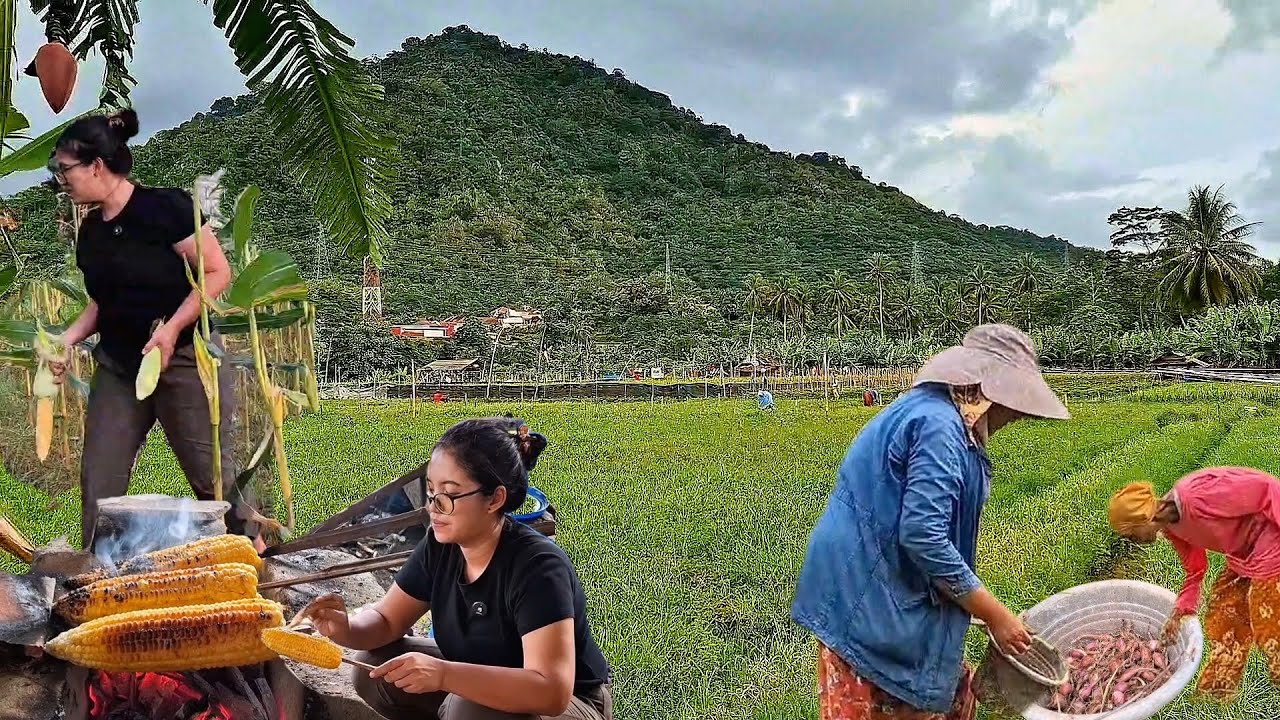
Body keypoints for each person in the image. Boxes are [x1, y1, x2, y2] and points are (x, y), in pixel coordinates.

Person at [791, 324, 1071, 720]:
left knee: (946, 689)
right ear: (993, 392)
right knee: (890, 691)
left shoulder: (944, 416)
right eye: (1016, 401)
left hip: (888, 583)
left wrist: (972, 604)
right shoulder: (939, 426)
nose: (1019, 415)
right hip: (867, 595)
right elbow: (923, 534)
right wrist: (995, 614)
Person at [300, 417, 613, 720]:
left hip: (570, 704)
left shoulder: (538, 568)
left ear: (494, 499)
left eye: (448, 495)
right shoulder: (442, 547)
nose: (433, 508)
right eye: (431, 492)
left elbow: (551, 691)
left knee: (469, 709)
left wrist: (445, 675)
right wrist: (346, 629)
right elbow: (386, 620)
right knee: (376, 667)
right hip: (481, 684)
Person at [44, 109, 256, 548]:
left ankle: (254, 554)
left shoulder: (167, 208)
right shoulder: (91, 234)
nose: (61, 179)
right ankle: (97, 573)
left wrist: (173, 328)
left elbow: (217, 272)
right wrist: (66, 339)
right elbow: (104, 301)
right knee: (99, 481)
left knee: (213, 476)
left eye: (64, 169)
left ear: (96, 166)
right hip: (121, 366)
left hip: (183, 359)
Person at [1107, 466, 1280, 700]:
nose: (1133, 541)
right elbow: (1195, 569)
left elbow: (1266, 489)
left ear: (1142, 518)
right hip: (1243, 551)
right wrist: (1179, 613)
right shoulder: (1172, 527)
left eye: (1130, 534)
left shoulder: (1196, 496)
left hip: (1269, 537)